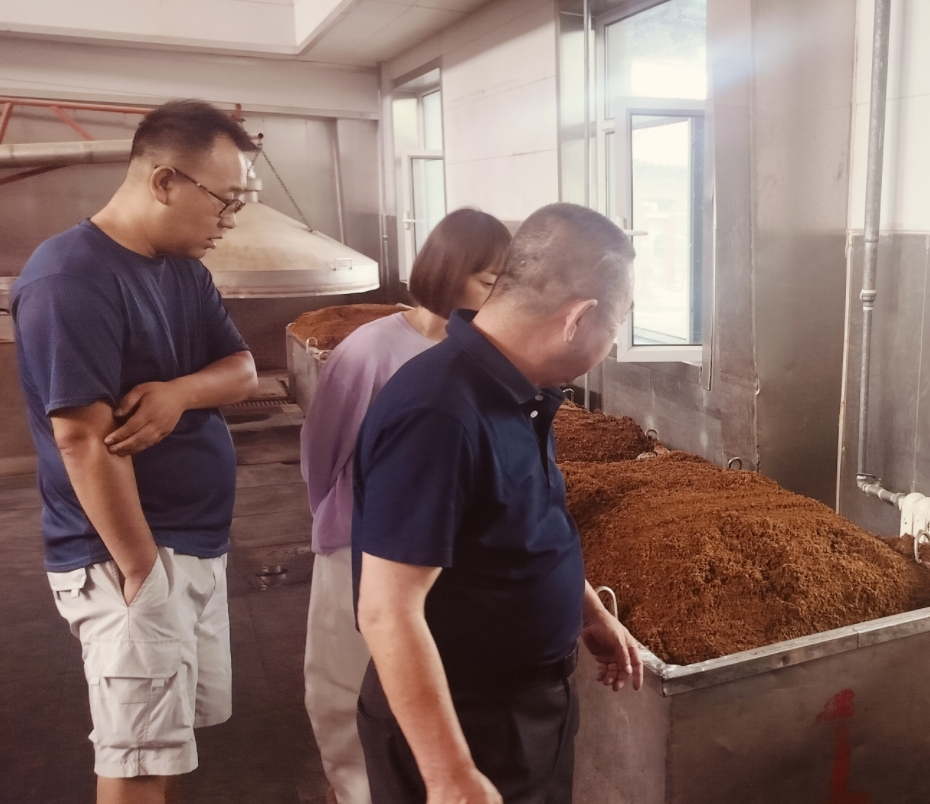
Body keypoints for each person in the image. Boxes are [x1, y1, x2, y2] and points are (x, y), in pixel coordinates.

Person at [9, 100, 259, 804]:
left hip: (191, 546)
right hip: (127, 558)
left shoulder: (182, 269)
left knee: (165, 744)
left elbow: (242, 371)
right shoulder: (70, 278)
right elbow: (83, 440)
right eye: (224, 199)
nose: (230, 219)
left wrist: (180, 392)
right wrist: (144, 574)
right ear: (164, 181)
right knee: (138, 759)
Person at [351, 202, 643, 804]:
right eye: (615, 327)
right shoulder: (440, 413)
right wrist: (449, 774)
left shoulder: (518, 392)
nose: (611, 346)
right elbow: (386, 609)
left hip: (523, 709)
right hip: (466, 718)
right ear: (577, 318)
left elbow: (525, 525)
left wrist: (588, 611)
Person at [300, 208, 511, 804]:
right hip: (358, 540)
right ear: (447, 272)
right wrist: (340, 522)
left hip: (441, 549)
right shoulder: (370, 350)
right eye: (488, 281)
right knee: (346, 681)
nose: (498, 296)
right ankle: (352, 790)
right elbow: (322, 451)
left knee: (417, 681)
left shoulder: (485, 354)